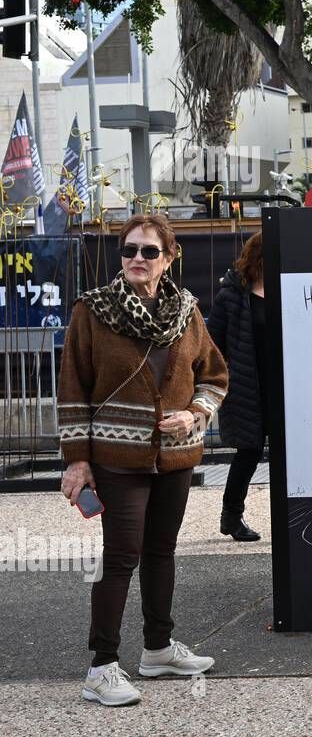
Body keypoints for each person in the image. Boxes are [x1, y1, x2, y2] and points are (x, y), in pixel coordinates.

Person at [58, 213, 229, 707]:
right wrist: (77, 461)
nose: (137, 259)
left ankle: (157, 649)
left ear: (169, 259)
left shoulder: (187, 313)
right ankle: (101, 667)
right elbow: (72, 390)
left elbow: (215, 377)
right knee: (120, 558)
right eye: (129, 250)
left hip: (175, 457)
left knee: (161, 552)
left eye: (149, 252)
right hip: (117, 457)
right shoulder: (92, 311)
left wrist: (197, 413)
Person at [206, 232, 268, 541]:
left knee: (287, 453)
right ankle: (231, 516)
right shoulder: (231, 294)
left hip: (279, 384)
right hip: (245, 386)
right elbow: (211, 343)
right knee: (249, 453)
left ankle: (289, 511)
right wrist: (225, 377)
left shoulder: (287, 287)